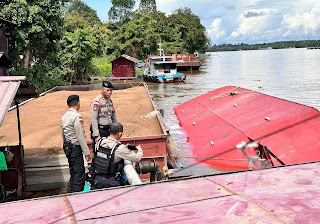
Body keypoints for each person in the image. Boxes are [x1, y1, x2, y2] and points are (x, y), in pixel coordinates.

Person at [91, 122, 143, 190]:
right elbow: (137, 158)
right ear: (120, 134)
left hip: (96, 181)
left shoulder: (99, 142)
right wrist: (139, 149)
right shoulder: (119, 148)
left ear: (109, 131)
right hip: (112, 182)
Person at [61, 95, 91, 193]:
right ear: (78, 103)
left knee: (73, 174)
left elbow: (63, 134)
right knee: (79, 175)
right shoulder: (77, 117)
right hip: (75, 149)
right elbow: (80, 136)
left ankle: (70, 194)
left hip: (68, 148)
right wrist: (87, 153)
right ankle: (77, 198)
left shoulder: (64, 117)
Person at [90, 81, 117, 149]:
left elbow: (113, 117)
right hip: (100, 131)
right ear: (102, 89)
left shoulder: (110, 101)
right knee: (100, 152)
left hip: (109, 131)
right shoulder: (96, 102)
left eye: (111, 90)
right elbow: (94, 119)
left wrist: (116, 130)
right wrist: (96, 135)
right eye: (107, 90)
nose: (109, 92)